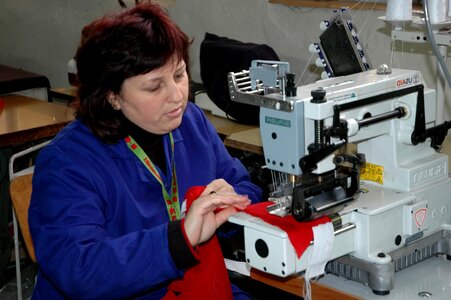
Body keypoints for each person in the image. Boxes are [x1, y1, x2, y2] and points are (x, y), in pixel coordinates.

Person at [28, 2, 262, 299]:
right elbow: (80, 269)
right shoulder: (67, 163)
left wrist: (227, 208)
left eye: (179, 75)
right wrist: (181, 239)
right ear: (112, 96)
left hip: (197, 285)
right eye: (154, 87)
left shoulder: (191, 122)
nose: (177, 96)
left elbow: (243, 185)